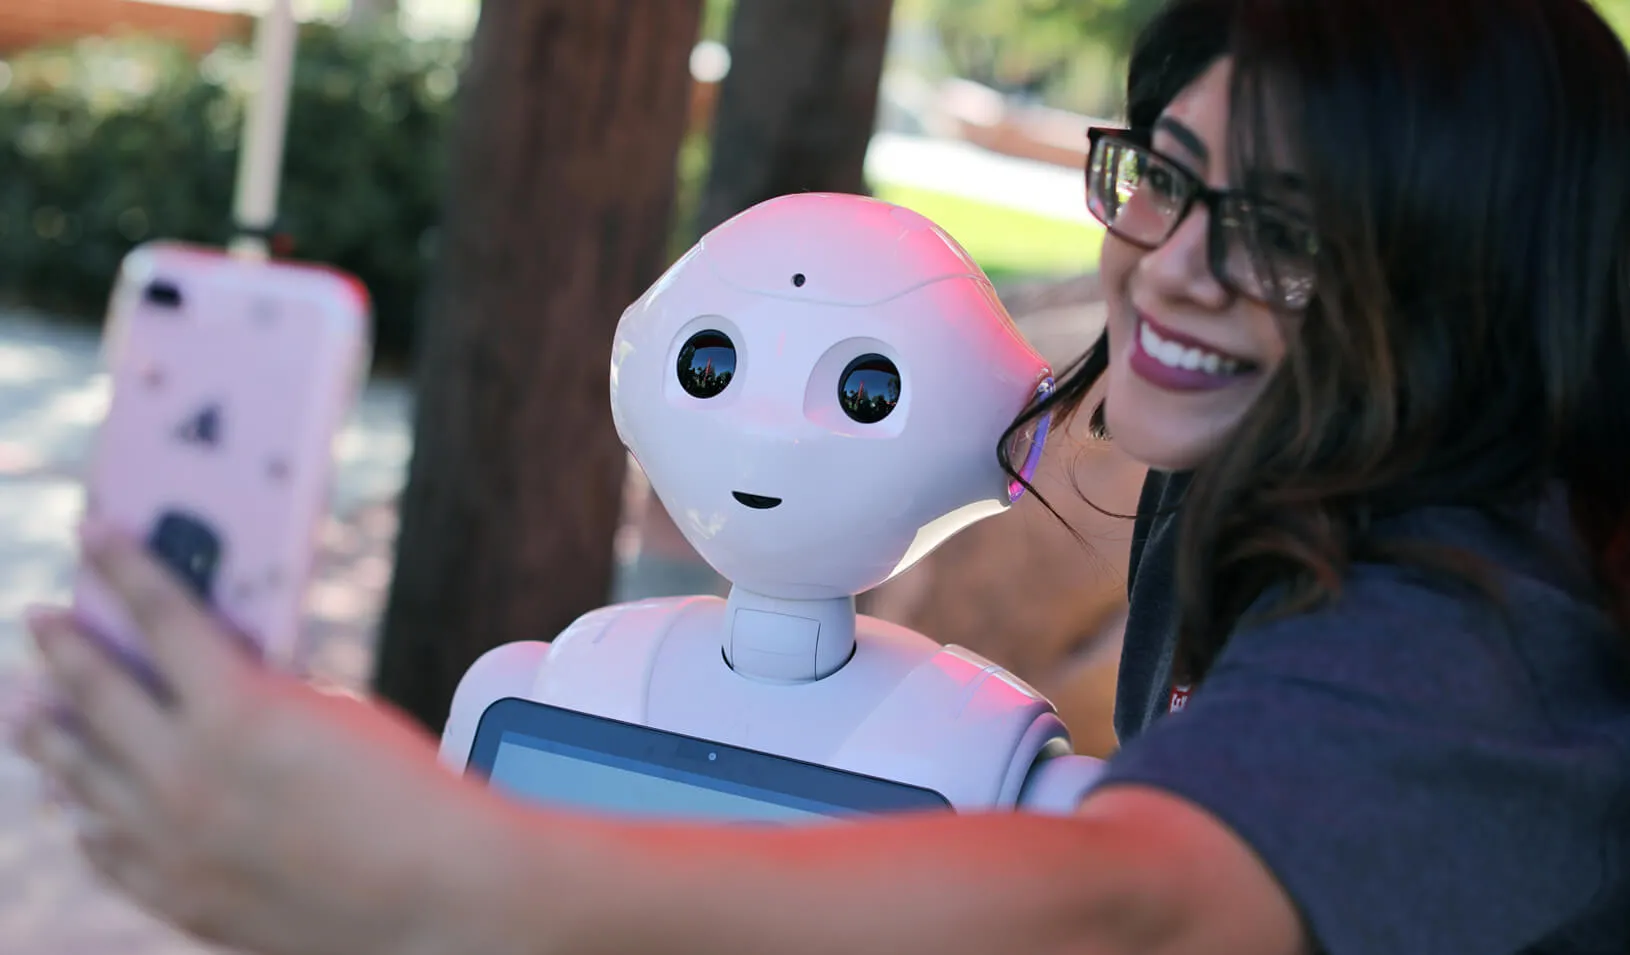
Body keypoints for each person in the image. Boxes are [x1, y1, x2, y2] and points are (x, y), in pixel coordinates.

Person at [14, 0, 1630, 952]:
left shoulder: (1473, 626)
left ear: (1468, 276)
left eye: (1284, 229)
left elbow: (1120, 904)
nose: (1170, 267)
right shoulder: (1249, 474)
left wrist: (428, 873)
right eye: (1166, 180)